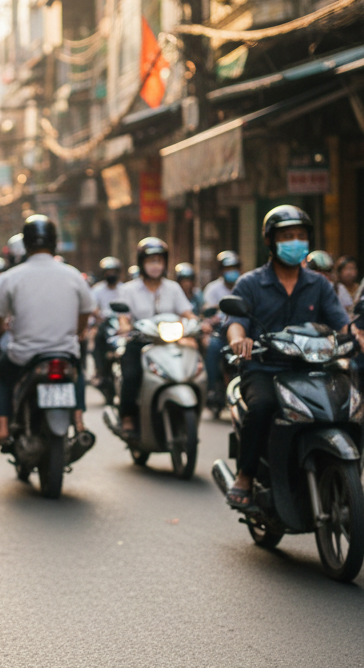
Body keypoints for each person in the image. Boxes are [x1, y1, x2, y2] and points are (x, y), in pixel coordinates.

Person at [225, 206, 350, 508]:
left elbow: (341, 323)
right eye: (287, 236)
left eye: (300, 236)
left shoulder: (319, 284)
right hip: (265, 368)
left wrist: (355, 335)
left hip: (313, 370)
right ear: (270, 241)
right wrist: (239, 340)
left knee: (348, 405)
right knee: (263, 406)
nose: (295, 242)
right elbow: (234, 323)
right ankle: (245, 474)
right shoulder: (251, 283)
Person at [0, 215, 95, 447]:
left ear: (25, 244)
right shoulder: (74, 275)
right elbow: (86, 312)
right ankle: (80, 421)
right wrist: (79, 332)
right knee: (77, 369)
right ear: (55, 242)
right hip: (64, 352)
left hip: (24, 355)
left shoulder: (10, 278)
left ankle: (3, 428)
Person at [116, 238, 196, 435]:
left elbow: (187, 312)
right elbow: (123, 318)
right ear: (142, 263)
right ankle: (127, 417)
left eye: (159, 261)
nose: (155, 266)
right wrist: (125, 326)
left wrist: (197, 323)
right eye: (151, 261)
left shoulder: (173, 288)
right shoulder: (129, 289)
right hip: (140, 343)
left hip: (169, 343)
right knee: (132, 374)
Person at [202, 251, 243, 401]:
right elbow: (207, 311)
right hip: (220, 332)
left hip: (242, 330)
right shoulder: (213, 289)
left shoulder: (244, 285)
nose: (231, 272)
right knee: (212, 347)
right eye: (227, 268)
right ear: (221, 271)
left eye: (234, 268)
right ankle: (212, 388)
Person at [91, 256, 123, 387]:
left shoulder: (123, 289)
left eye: (113, 271)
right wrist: (98, 315)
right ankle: (99, 369)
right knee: (98, 339)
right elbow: (93, 306)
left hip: (120, 324)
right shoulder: (97, 289)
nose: (111, 274)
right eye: (108, 272)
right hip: (105, 323)